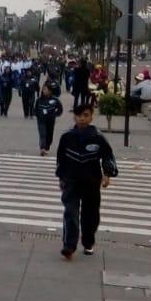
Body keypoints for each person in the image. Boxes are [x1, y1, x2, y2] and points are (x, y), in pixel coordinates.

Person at [56, 104, 118, 261]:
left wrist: (107, 174)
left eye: (85, 115)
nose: (82, 119)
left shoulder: (98, 137)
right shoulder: (67, 137)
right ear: (74, 117)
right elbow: (61, 160)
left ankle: (88, 241)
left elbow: (108, 156)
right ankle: (69, 245)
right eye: (78, 116)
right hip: (71, 181)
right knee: (70, 212)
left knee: (90, 215)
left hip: (91, 181)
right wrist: (61, 178)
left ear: (91, 117)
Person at [34, 83, 64, 157]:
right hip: (41, 120)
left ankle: (47, 147)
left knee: (49, 135)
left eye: (46, 89)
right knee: (43, 134)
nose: (44, 91)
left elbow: (60, 109)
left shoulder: (55, 100)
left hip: (50, 120)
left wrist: (55, 115)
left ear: (50, 91)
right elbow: (35, 109)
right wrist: (38, 115)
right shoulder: (39, 100)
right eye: (43, 89)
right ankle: (42, 148)